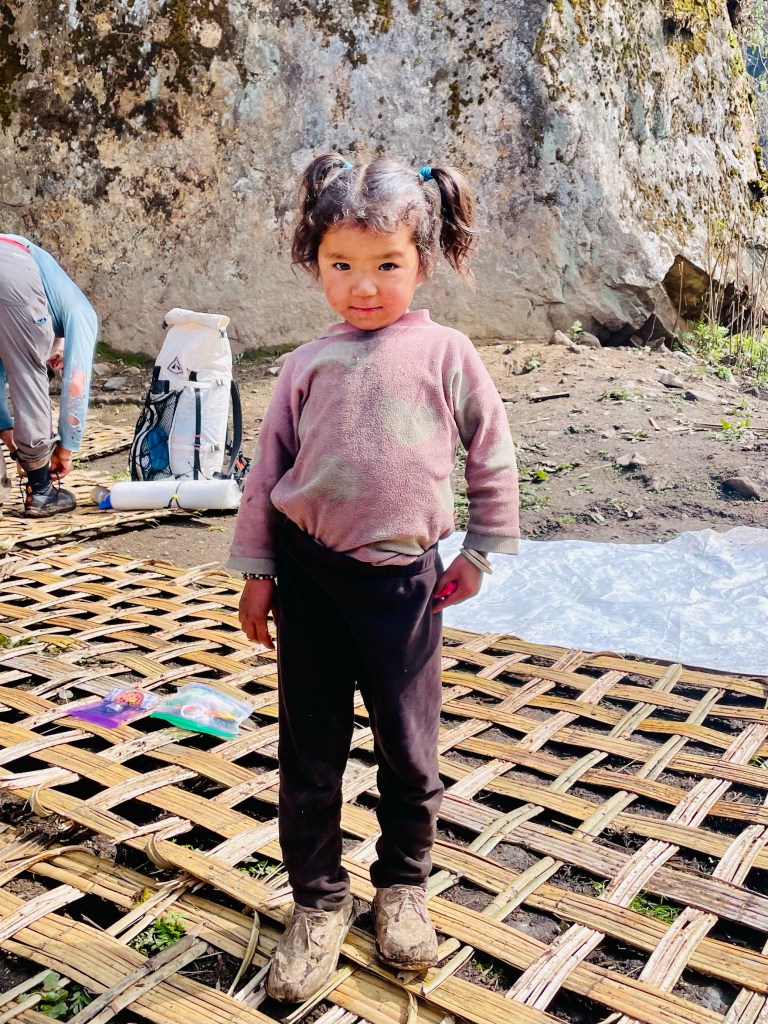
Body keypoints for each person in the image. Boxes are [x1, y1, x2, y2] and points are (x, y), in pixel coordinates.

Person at [228, 155, 520, 1002]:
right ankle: (319, 902)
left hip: (404, 589)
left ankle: (402, 887)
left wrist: (478, 551)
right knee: (310, 751)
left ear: (423, 260)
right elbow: (266, 475)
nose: (364, 286)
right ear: (314, 262)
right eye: (341, 265)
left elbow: (491, 454)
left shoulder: (447, 353)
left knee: (409, 747)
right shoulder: (304, 366)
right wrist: (258, 572)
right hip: (310, 580)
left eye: (387, 264)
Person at [0, 234, 98, 516]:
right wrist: (65, 449)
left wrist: (10, 438)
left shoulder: (50, 286)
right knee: (29, 371)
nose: (54, 363)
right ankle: (41, 491)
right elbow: (76, 382)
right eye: (57, 362)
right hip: (12, 268)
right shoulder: (81, 311)